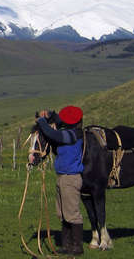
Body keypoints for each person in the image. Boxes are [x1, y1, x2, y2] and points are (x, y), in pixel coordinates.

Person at [36, 105, 84, 256]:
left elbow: (52, 134)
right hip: (63, 177)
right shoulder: (71, 132)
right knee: (63, 213)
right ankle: (66, 245)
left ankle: (77, 247)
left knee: (72, 214)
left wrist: (42, 121)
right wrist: (50, 116)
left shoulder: (72, 135)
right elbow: (58, 123)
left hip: (70, 178)